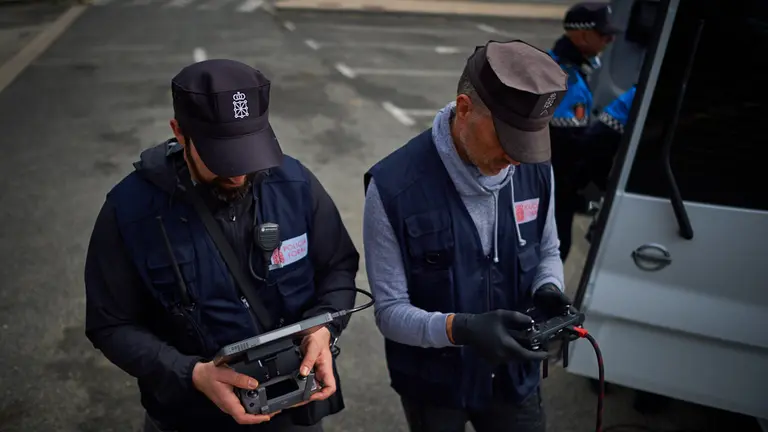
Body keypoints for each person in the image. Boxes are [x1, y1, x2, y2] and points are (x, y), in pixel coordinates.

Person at [84, 59, 360, 432]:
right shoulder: (129, 212)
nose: (238, 172)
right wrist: (192, 374)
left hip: (295, 408)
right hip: (188, 417)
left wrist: (325, 328)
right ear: (179, 133)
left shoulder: (295, 184)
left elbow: (338, 267)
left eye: (249, 151)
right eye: (222, 157)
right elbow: (110, 324)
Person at [362, 40, 574, 432]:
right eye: (508, 140)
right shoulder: (393, 189)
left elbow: (548, 249)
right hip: (436, 386)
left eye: (527, 144)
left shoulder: (535, 169)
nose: (516, 158)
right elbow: (390, 312)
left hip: (515, 378)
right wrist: (460, 329)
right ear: (464, 109)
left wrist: (548, 286)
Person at [547, 1, 620, 261]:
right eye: (603, 34)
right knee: (555, 250)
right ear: (581, 34)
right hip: (554, 188)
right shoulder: (566, 79)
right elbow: (567, 147)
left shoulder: (556, 63)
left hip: (551, 184)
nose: (610, 40)